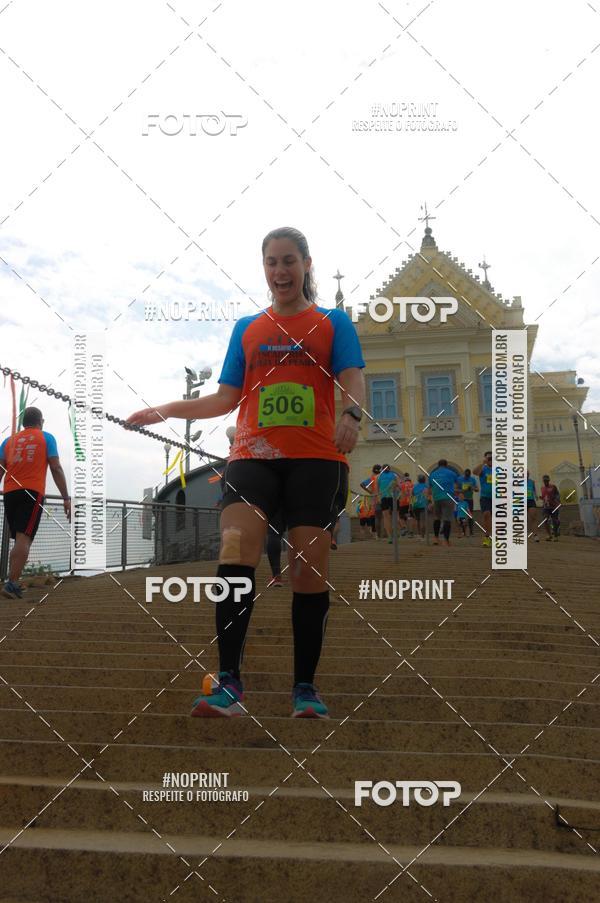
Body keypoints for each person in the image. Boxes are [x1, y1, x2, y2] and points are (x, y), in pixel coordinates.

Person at [127, 226, 365, 719]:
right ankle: (229, 683)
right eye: (271, 263)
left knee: (307, 571)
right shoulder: (248, 329)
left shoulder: (332, 322)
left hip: (317, 459)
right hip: (252, 456)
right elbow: (225, 398)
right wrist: (167, 408)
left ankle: (305, 688)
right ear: (264, 269)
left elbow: (353, 378)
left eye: (288, 261)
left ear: (306, 265)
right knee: (235, 553)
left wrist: (351, 414)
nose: (280, 271)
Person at [0, 407, 71, 599]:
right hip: (31, 492)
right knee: (24, 538)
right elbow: (55, 468)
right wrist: (66, 497)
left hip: (9, 493)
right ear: (41, 421)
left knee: (19, 538)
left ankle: (13, 581)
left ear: (24, 422)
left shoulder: (8, 441)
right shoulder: (46, 438)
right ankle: (11, 584)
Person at [428, 459, 457, 547]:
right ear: (446, 465)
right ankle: (446, 541)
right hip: (448, 497)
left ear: (438, 465)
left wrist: (430, 501)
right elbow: (457, 484)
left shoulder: (432, 474)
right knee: (447, 519)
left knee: (437, 518)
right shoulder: (451, 473)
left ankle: (436, 539)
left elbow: (429, 489)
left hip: (436, 498)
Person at [377, 464, 401, 544]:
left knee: (386, 517)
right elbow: (400, 487)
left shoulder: (379, 477)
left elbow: (378, 490)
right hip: (393, 497)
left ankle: (390, 537)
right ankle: (397, 533)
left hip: (384, 498)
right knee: (396, 515)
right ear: (390, 469)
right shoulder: (394, 475)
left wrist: (379, 499)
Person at [473, 451, 493, 547]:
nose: (490, 460)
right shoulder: (483, 469)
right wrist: (483, 463)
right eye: (488, 458)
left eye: (492, 458)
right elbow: (475, 472)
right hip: (485, 496)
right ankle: (487, 537)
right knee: (486, 514)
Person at [456, 468, 478, 536]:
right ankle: (463, 531)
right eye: (466, 475)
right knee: (461, 515)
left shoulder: (472, 479)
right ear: (464, 474)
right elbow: (455, 489)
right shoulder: (459, 479)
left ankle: (471, 531)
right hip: (461, 500)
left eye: (468, 476)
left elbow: (477, 489)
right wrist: (462, 490)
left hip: (470, 499)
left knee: (470, 515)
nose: (467, 477)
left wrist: (472, 488)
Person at [541, 474, 560, 542]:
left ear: (549, 480)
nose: (545, 482)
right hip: (545, 507)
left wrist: (557, 500)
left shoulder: (553, 487)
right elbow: (543, 496)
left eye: (546, 480)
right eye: (544, 480)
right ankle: (549, 535)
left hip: (553, 506)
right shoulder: (542, 488)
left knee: (555, 521)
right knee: (545, 520)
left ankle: (555, 535)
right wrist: (542, 499)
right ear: (543, 481)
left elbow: (557, 494)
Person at [411, 474, 429, 540]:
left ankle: (419, 534)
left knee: (418, 520)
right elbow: (429, 495)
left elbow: (412, 496)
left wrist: (411, 505)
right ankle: (422, 536)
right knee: (422, 521)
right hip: (423, 505)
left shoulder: (414, 486)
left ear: (418, 480)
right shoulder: (426, 486)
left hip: (415, 505)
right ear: (424, 480)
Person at [526, 470, 540, 543]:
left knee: (533, 516)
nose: (526, 475)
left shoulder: (532, 482)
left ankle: (535, 535)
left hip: (530, 500)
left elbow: (534, 490)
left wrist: (536, 496)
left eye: (527, 474)